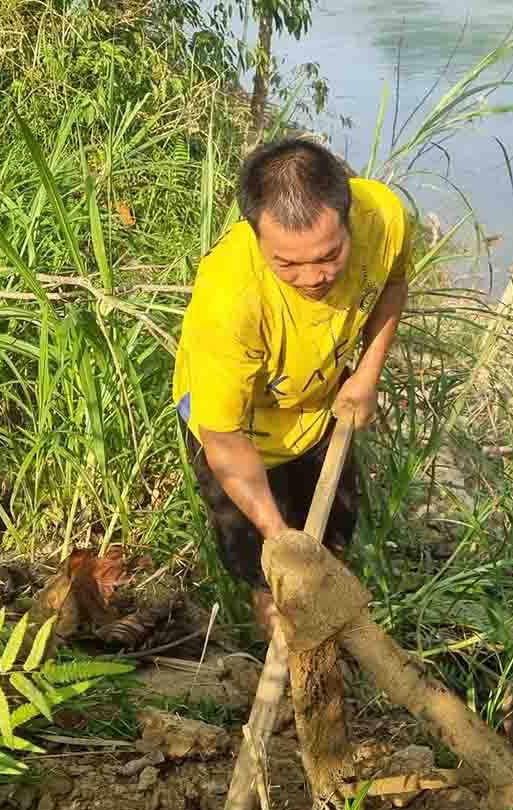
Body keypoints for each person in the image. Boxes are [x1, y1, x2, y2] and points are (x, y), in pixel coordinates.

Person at [172, 136, 413, 639]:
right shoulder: (231, 301)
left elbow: (392, 283)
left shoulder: (383, 216)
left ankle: (337, 647)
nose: (313, 277)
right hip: (239, 438)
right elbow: (224, 440)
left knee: (333, 540)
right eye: (288, 264)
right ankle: (284, 675)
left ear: (349, 219)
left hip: (322, 407)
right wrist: (280, 540)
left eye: (330, 256)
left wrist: (366, 376)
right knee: (270, 578)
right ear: (256, 235)